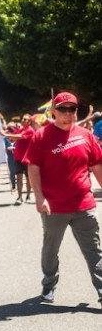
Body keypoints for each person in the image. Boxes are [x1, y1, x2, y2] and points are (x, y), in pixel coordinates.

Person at [25, 92, 102, 305]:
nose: (67, 114)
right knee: (50, 251)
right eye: (63, 109)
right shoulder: (41, 136)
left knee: (94, 250)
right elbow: (33, 168)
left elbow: (97, 166)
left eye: (71, 109)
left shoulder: (85, 136)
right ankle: (49, 284)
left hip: (83, 204)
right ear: (53, 112)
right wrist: (40, 198)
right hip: (54, 207)